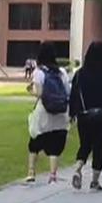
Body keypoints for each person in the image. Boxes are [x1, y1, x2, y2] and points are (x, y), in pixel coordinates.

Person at [68, 41, 102, 192]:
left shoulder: (80, 74)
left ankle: (78, 168)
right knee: (98, 148)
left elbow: (74, 96)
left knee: (85, 145)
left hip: (84, 116)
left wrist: (73, 113)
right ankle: (95, 181)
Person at [25, 42, 71, 184]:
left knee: (35, 142)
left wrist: (30, 90)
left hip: (44, 112)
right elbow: (68, 92)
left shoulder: (39, 72)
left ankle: (31, 172)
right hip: (60, 114)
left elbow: (39, 93)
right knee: (55, 146)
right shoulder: (62, 72)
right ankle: (52, 175)